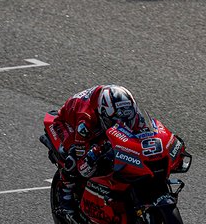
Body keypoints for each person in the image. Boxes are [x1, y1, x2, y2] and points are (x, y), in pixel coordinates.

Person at [51, 85, 141, 217]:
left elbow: (144, 130)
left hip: (98, 115)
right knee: (73, 160)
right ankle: (65, 193)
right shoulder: (86, 120)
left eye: (127, 119)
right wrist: (97, 151)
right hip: (67, 124)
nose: (123, 125)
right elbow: (83, 168)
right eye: (117, 122)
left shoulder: (127, 109)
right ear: (103, 114)